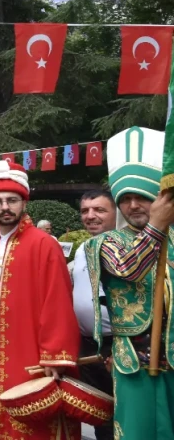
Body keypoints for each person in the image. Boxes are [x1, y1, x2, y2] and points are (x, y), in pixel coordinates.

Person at [0, 160, 78, 440]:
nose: (5, 207)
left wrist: (54, 355)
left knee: (33, 418)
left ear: (24, 202)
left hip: (31, 347)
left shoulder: (44, 243)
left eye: (12, 200)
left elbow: (58, 302)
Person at [84, 127, 174, 440]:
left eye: (143, 197)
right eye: (126, 199)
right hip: (134, 363)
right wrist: (158, 225)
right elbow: (129, 268)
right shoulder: (105, 242)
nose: (133, 205)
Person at [66, 189, 116, 440]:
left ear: (116, 213)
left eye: (99, 210)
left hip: (120, 347)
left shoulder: (132, 247)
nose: (91, 216)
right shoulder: (83, 247)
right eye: (85, 210)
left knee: (126, 418)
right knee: (99, 416)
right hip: (88, 348)